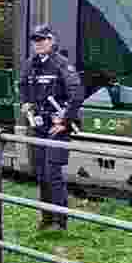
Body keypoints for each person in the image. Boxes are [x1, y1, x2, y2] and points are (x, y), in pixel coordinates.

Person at [19, 24, 83, 230]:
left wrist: (64, 121)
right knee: (41, 174)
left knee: (53, 173)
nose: (38, 44)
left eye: (42, 40)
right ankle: (46, 219)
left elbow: (76, 95)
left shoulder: (61, 63)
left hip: (58, 127)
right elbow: (22, 87)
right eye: (35, 40)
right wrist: (25, 103)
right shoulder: (30, 64)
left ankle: (60, 221)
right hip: (38, 125)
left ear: (52, 41)